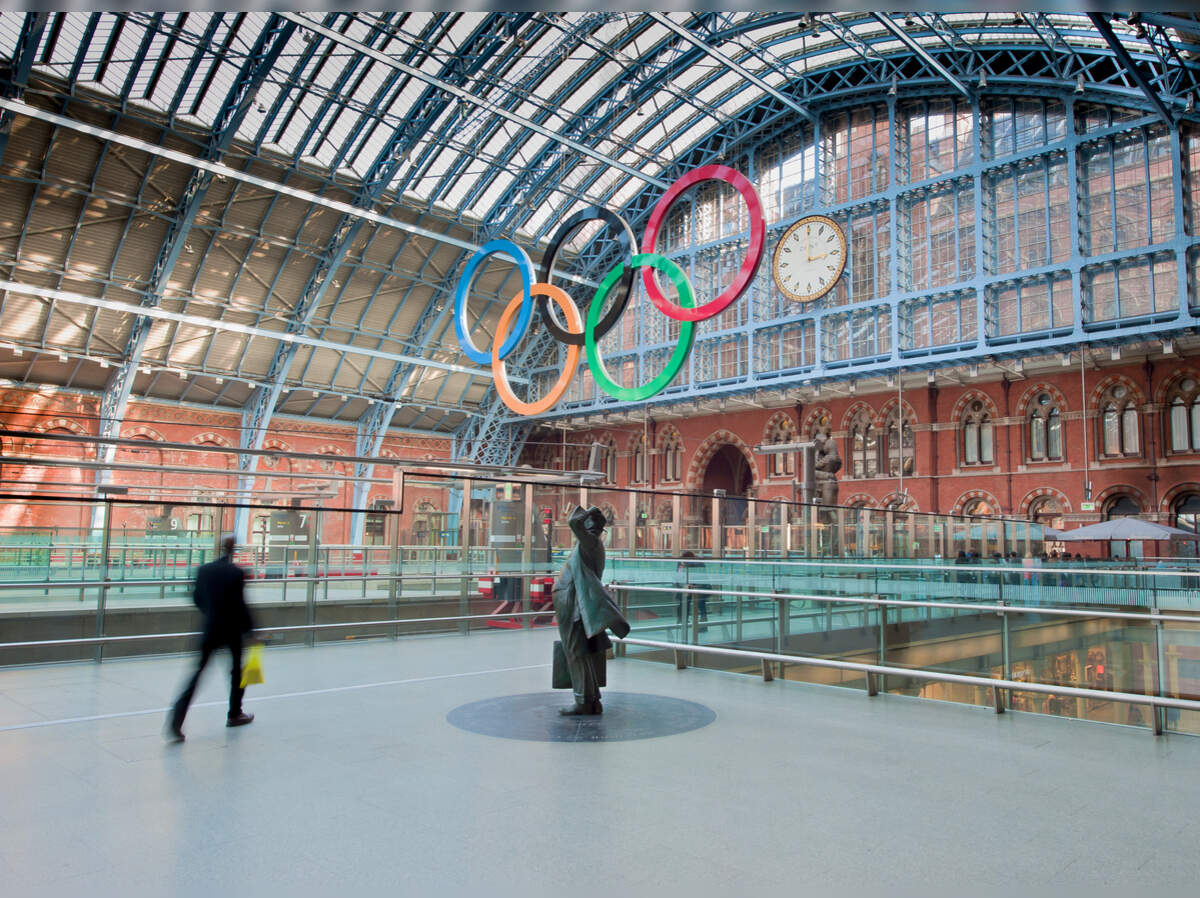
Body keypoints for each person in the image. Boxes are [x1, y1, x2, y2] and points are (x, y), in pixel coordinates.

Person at [166, 535, 256, 741]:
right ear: (234, 549)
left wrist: (211, 614)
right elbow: (241, 605)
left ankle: (176, 719)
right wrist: (251, 630)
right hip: (232, 630)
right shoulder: (236, 573)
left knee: (197, 674)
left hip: (210, 629)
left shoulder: (204, 570)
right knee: (236, 673)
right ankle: (235, 713)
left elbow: (196, 598)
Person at [552, 506, 630, 716]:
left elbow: (573, 522)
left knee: (575, 652)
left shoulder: (591, 542)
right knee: (581, 652)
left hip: (574, 604)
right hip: (574, 601)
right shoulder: (590, 545)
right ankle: (591, 699)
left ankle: (583, 701)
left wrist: (586, 514)